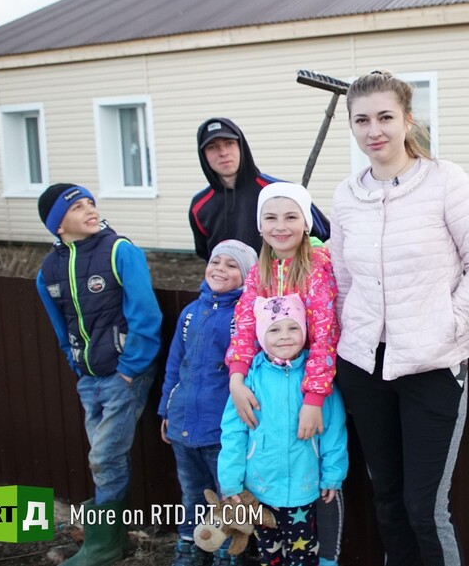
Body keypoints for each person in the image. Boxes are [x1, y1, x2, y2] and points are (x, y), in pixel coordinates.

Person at [330, 71, 469, 565]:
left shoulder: (446, 181)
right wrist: (352, 335)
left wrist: (450, 321)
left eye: (385, 117)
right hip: (365, 369)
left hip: (432, 366)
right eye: (361, 120)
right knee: (385, 496)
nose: (374, 130)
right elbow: (343, 280)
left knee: (424, 507)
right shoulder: (346, 196)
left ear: (407, 120)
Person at [35, 183, 162, 566]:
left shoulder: (120, 251)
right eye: (77, 207)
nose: (90, 209)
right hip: (89, 378)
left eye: (91, 202)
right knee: (103, 457)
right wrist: (76, 365)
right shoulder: (48, 270)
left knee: (104, 457)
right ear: (58, 224)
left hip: (125, 375)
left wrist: (129, 370)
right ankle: (113, 539)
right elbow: (60, 325)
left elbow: (146, 314)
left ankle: (102, 547)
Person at [224, 181, 343, 565]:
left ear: (306, 223)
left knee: (312, 483)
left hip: (307, 386)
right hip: (265, 380)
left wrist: (314, 400)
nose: (280, 226)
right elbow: (244, 324)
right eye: (270, 218)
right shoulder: (259, 271)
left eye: (291, 216)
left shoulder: (317, 269)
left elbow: (325, 336)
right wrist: (237, 378)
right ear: (259, 226)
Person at [219, 294, 348, 566]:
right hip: (260, 489)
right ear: (260, 335)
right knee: (269, 556)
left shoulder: (316, 379)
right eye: (274, 329)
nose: (285, 336)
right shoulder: (250, 379)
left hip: (304, 489)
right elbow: (233, 433)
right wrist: (230, 481)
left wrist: (332, 476)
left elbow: (334, 432)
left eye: (293, 327)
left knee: (302, 555)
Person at [158, 239, 258, 566]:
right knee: (192, 494)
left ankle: (228, 553)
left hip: (222, 429)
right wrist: (167, 409)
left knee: (228, 494)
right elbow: (175, 363)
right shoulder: (190, 313)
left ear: (246, 275)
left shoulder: (245, 316)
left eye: (232, 266)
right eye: (216, 262)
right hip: (183, 423)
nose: (220, 269)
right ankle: (191, 547)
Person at [189, 117, 330, 260]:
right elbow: (205, 253)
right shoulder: (199, 206)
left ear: (241, 146)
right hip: (228, 281)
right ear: (203, 155)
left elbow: (322, 234)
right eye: (212, 147)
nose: (223, 152)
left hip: (280, 280)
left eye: (229, 143)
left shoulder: (279, 191)